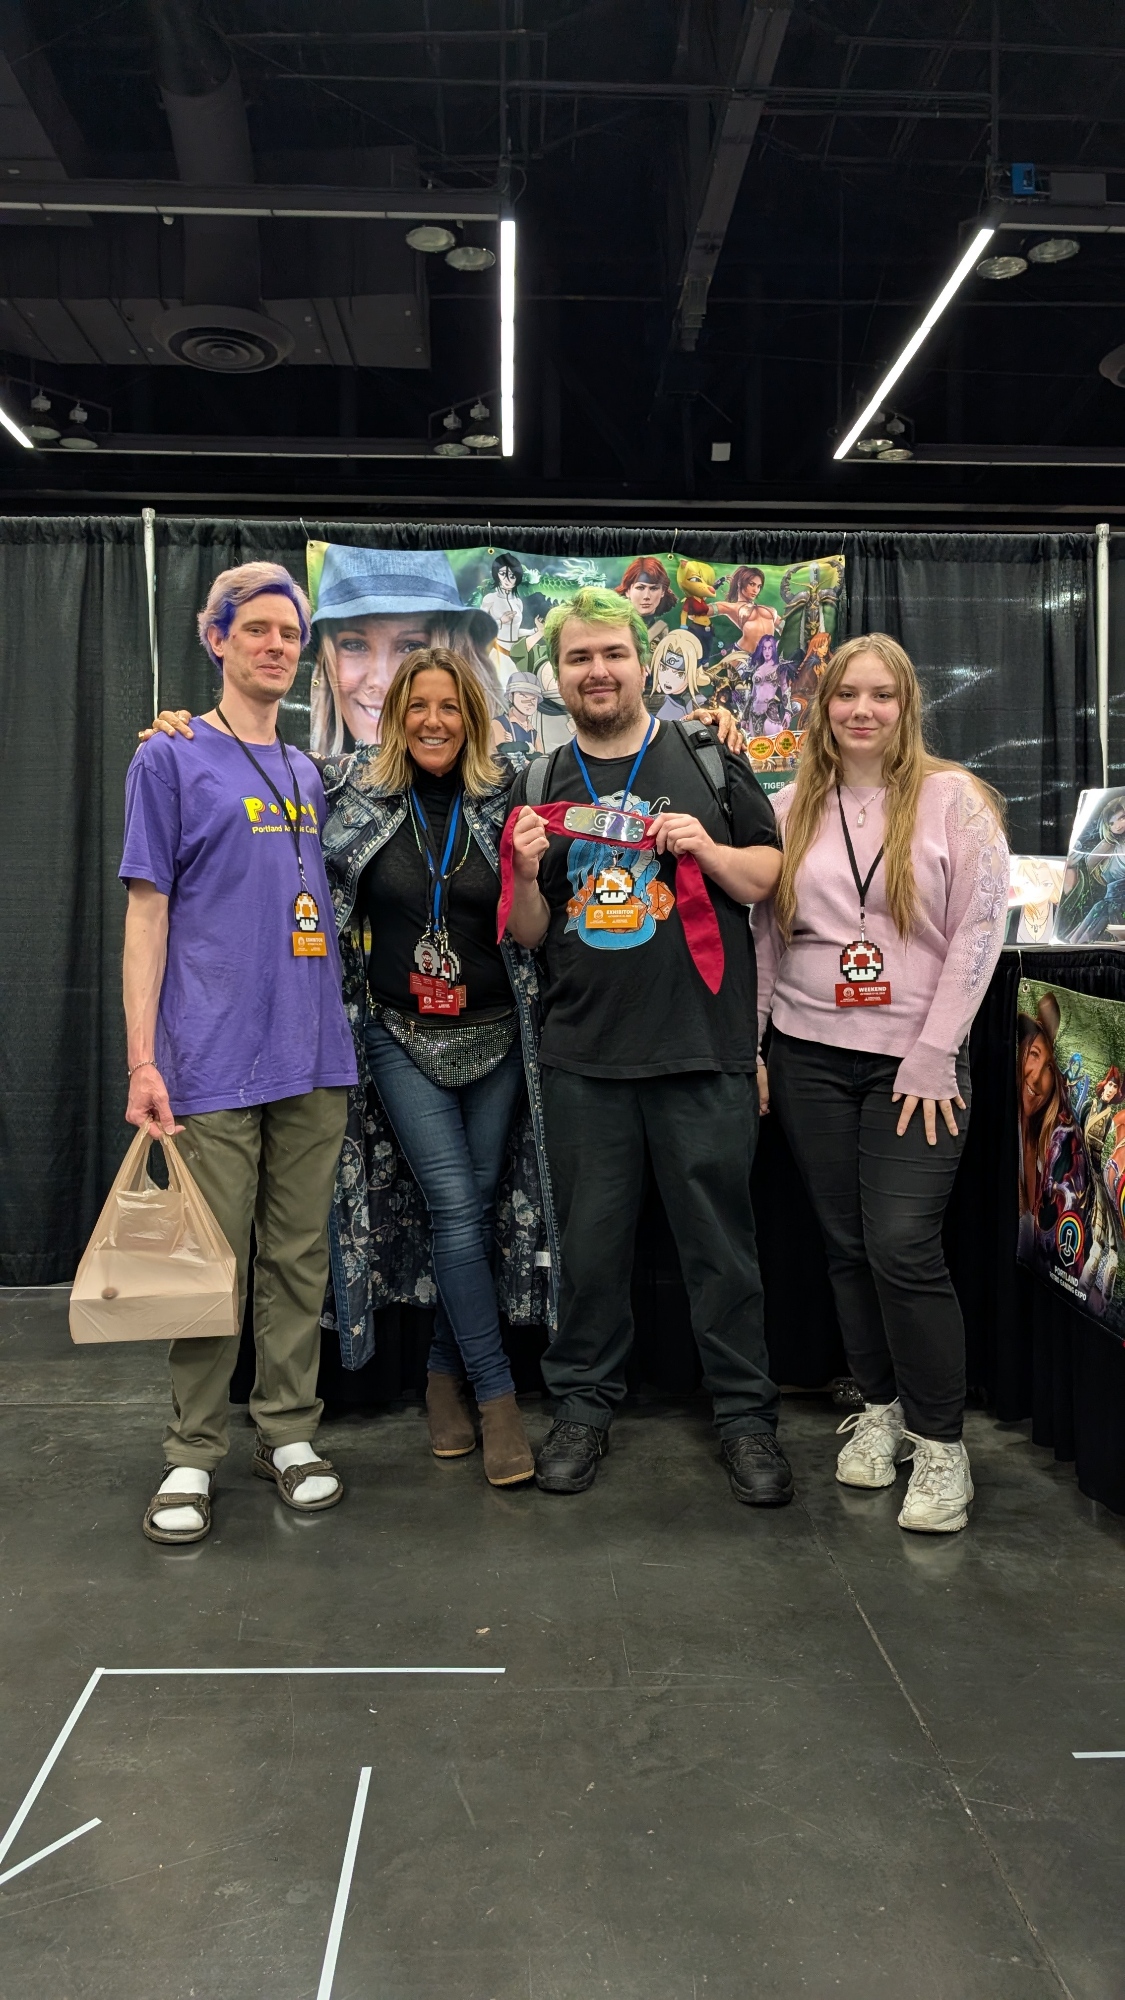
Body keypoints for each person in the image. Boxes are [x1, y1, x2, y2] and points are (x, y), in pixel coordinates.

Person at [502, 586, 794, 1506]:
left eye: (612, 655)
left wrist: (704, 848)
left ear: (642, 664)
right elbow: (527, 932)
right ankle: (582, 1406)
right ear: (558, 675)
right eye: (579, 658)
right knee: (589, 1255)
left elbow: (764, 878)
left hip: (701, 1049)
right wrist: (522, 872)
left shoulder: (705, 757)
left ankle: (744, 1418)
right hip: (583, 1056)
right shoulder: (539, 780)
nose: (597, 671)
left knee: (722, 1252)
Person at [121, 562, 357, 1545]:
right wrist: (143, 1059)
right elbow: (147, 913)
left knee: (298, 1255)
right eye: (256, 628)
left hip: (313, 1051)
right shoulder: (169, 757)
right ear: (215, 638)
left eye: (289, 633)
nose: (275, 645)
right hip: (210, 1054)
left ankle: (288, 1432)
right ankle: (192, 1448)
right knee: (208, 1263)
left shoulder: (306, 770)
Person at [754, 633, 1008, 1535]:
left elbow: (980, 927)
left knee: (902, 1244)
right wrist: (754, 1046)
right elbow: (766, 935)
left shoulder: (952, 800)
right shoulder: (788, 805)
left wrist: (935, 1050)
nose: (861, 711)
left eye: (881, 695)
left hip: (917, 1064)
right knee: (845, 1246)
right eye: (844, 695)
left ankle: (940, 1446)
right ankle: (881, 1410)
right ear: (821, 707)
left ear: (907, 706)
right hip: (807, 1053)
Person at [319, 647, 559, 1486]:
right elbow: (259, 762)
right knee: (455, 1206)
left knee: (479, 1210)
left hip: (497, 1037)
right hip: (398, 1034)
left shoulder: (510, 797)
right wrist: (180, 731)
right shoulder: (351, 794)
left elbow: (532, 933)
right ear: (395, 717)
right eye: (417, 706)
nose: (433, 721)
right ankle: (496, 1399)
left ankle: (440, 1377)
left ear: (473, 717)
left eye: (449, 707)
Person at [310, 545, 504, 755]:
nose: (380, 681)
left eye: (412, 647)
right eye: (354, 645)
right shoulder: (305, 773)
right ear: (327, 659)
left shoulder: (502, 773)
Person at [646, 629, 707, 721]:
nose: (668, 678)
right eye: (663, 668)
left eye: (679, 673)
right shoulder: (665, 698)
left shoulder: (696, 704)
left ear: (692, 674)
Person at [616, 556, 676, 649]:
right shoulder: (615, 628)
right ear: (627, 591)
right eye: (640, 588)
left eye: (654, 588)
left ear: (663, 592)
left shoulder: (665, 632)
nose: (646, 596)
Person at [480, 552, 527, 649]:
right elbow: (480, 624)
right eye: (502, 574)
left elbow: (515, 631)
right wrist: (501, 621)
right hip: (496, 649)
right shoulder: (490, 598)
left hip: (516, 651)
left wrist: (535, 631)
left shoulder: (518, 602)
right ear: (496, 574)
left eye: (512, 576)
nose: (507, 579)